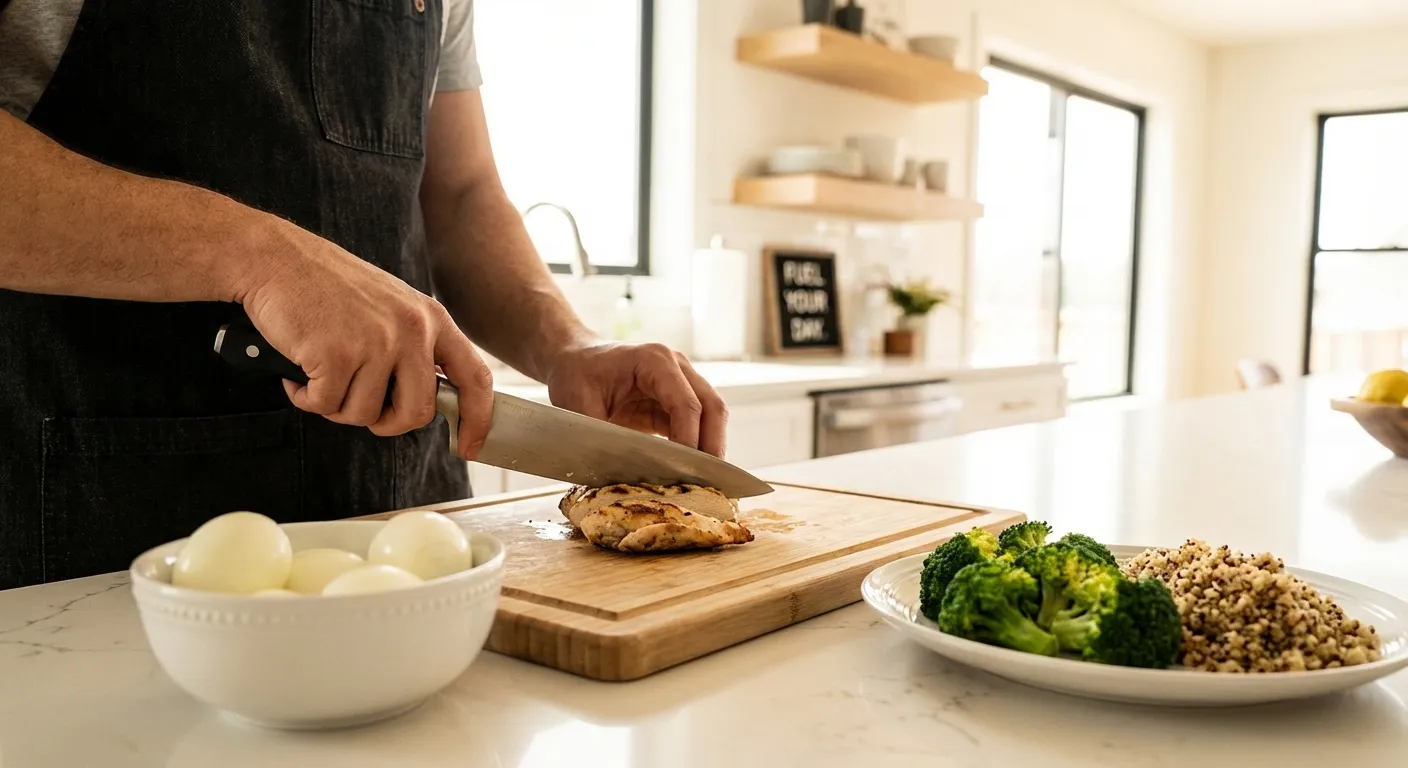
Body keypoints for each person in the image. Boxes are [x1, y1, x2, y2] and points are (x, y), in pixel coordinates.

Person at [0, 0, 727, 589]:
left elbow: (463, 195)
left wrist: (570, 343)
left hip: (411, 517)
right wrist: (257, 255)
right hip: (97, 528)